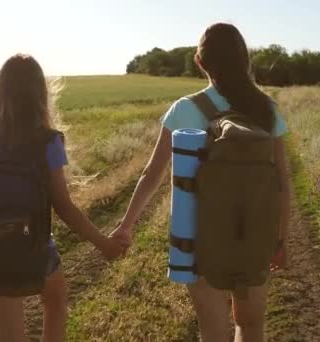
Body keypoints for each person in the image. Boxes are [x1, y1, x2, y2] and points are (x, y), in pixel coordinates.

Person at [111, 23, 290, 342]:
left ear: (199, 61)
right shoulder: (267, 109)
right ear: (244, 60)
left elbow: (152, 174)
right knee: (251, 326)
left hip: (199, 238)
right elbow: (282, 182)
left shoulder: (184, 109)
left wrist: (126, 226)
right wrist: (279, 240)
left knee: (213, 330)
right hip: (254, 233)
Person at [0, 54, 125, 342]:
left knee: (9, 330)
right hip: (34, 247)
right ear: (40, 94)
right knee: (55, 301)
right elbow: (63, 206)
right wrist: (104, 244)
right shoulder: (49, 140)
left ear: (1, 91)